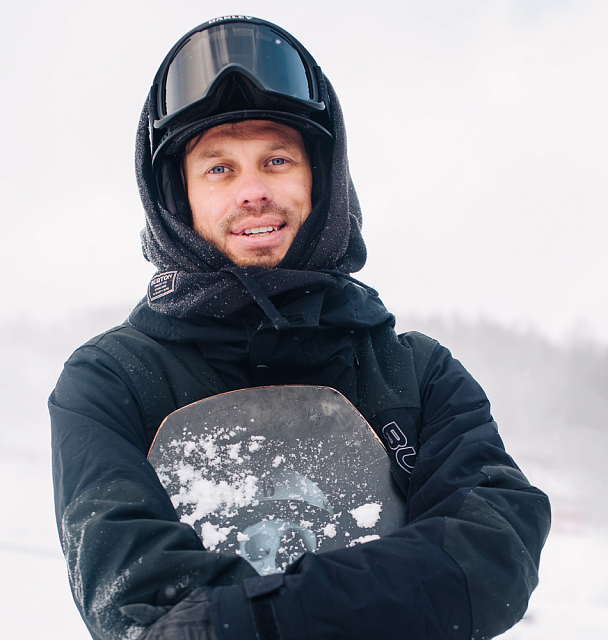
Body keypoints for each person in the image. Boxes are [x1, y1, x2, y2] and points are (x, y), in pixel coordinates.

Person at [49, 16, 550, 640]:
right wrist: (385, 595)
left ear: (322, 179)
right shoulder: (109, 381)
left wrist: (249, 617)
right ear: (177, 199)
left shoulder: (419, 375)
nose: (253, 192)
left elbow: (493, 554)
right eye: (219, 169)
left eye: (277, 159)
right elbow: (139, 603)